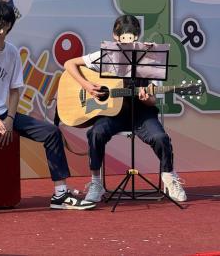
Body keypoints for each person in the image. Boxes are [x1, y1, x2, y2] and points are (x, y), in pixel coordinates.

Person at [0, 0, 95, 219]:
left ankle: (60, 194)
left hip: (1, 112)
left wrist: (9, 118)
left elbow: (14, 91)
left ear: (7, 25)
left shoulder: (12, 53)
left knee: (51, 133)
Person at [63, 14, 187, 203]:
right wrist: (87, 85)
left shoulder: (149, 58)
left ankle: (169, 177)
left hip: (141, 113)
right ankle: (96, 183)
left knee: (160, 138)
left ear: (138, 35)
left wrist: (147, 98)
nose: (128, 42)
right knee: (96, 133)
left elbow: (152, 101)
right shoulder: (105, 55)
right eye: (123, 38)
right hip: (112, 114)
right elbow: (69, 64)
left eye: (132, 37)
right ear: (115, 36)